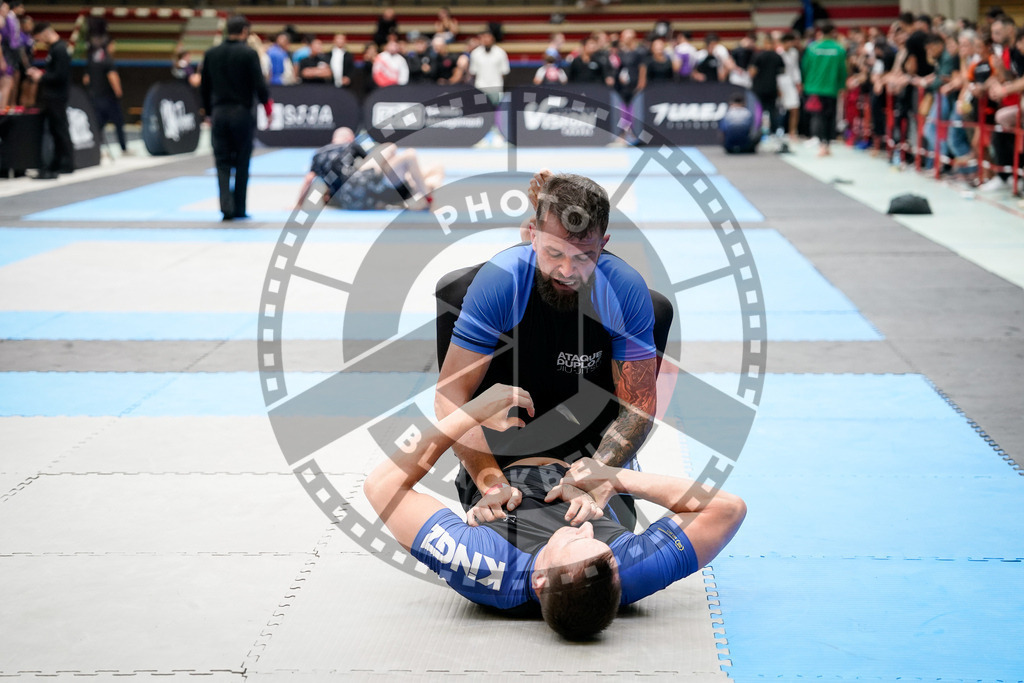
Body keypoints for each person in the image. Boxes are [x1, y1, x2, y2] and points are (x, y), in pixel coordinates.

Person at [364, 383, 746, 639]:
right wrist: (614, 479)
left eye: (576, 542)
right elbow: (728, 509)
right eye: (603, 549)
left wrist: (472, 413)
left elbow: (381, 488)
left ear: (541, 580)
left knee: (461, 359)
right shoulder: (625, 571)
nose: (586, 530)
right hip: (591, 447)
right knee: (653, 316)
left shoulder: (485, 564)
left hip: (501, 454)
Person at [435, 172, 660, 530]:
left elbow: (638, 408)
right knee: (501, 547)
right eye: (554, 253)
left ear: (603, 244)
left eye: (584, 257)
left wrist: (598, 472)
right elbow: (449, 396)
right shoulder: (500, 281)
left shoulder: (624, 290)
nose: (567, 271)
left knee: (603, 552)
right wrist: (490, 482)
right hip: (503, 445)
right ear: (532, 235)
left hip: (592, 443)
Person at [199, 15, 271, 221]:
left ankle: (226, 207)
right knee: (241, 161)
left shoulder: (211, 53)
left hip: (219, 112)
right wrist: (267, 105)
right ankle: (239, 207)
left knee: (221, 162)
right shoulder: (248, 54)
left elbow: (204, 87)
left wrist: (208, 113)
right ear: (245, 32)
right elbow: (259, 84)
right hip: (241, 113)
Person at [295, 127, 443, 211]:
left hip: (359, 194)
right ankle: (426, 198)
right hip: (359, 183)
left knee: (429, 169)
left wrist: (297, 205)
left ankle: (422, 195)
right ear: (349, 138)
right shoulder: (352, 145)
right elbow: (379, 154)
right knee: (391, 147)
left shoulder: (319, 154)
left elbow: (309, 179)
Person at [25, 22, 72, 179]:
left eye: (39, 39)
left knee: (60, 129)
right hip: (52, 95)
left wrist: (41, 77)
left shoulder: (60, 49)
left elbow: (60, 75)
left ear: (45, 33)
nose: (41, 43)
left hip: (57, 96)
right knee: (55, 130)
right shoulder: (54, 49)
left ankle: (66, 163)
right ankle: (58, 163)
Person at [801, 22, 848, 156]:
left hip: (814, 87)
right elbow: (842, 70)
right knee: (830, 116)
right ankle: (827, 144)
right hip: (831, 88)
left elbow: (805, 67)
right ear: (833, 32)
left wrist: (805, 83)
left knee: (818, 116)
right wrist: (842, 86)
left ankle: (821, 144)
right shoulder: (839, 49)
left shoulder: (812, 48)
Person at [83, 39, 128, 158]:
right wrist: (118, 92)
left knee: (98, 125)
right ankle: (123, 148)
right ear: (109, 45)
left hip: (95, 97)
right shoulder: (108, 60)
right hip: (109, 98)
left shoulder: (92, 59)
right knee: (118, 123)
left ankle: (97, 149)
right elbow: (113, 77)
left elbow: (86, 79)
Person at [749, 35, 785, 137]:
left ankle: (758, 131)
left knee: (759, 110)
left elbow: (752, 72)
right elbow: (782, 73)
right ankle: (773, 132)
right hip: (772, 88)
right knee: (772, 111)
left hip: (759, 88)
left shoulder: (758, 56)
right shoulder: (777, 57)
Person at [468, 30, 509, 105]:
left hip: (496, 88)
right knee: (480, 111)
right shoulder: (475, 53)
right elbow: (473, 72)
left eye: (488, 37)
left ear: (493, 39)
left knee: (496, 111)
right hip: (480, 88)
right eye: (484, 37)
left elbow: (504, 72)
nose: (486, 40)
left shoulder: (500, 53)